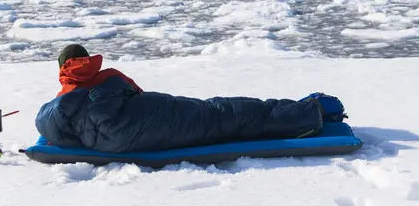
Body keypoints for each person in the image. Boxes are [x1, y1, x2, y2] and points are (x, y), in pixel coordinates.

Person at [35, 44, 346, 154]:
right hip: (149, 120)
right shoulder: (110, 77)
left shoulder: (52, 110)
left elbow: (60, 139)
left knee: (220, 117)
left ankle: (303, 113)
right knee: (221, 113)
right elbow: (136, 93)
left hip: (113, 143)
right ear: (87, 61)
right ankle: (313, 113)